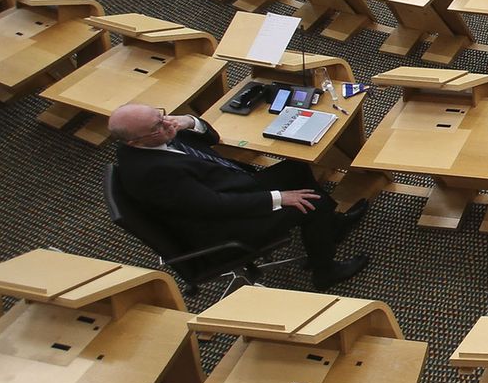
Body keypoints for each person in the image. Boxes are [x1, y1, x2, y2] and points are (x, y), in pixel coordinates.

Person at [108, 103, 369, 289]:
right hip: (223, 227)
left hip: (229, 187)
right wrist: (278, 198)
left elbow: (212, 137)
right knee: (311, 203)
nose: (167, 123)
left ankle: (330, 228)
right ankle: (325, 271)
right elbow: (214, 207)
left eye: (161, 115)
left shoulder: (156, 136)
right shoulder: (152, 173)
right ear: (134, 142)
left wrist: (189, 121)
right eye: (157, 125)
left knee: (296, 168)